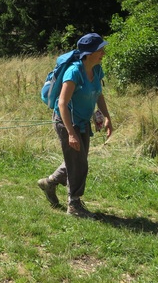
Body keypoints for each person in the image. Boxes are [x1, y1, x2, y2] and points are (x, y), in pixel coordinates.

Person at [38, 33, 113, 218]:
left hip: (82, 121)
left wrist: (106, 117)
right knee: (79, 163)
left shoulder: (96, 70)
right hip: (66, 122)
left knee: (78, 160)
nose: (103, 53)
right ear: (89, 53)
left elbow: (99, 94)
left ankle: (50, 182)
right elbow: (62, 103)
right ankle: (74, 205)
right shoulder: (74, 71)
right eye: (100, 50)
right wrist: (71, 133)